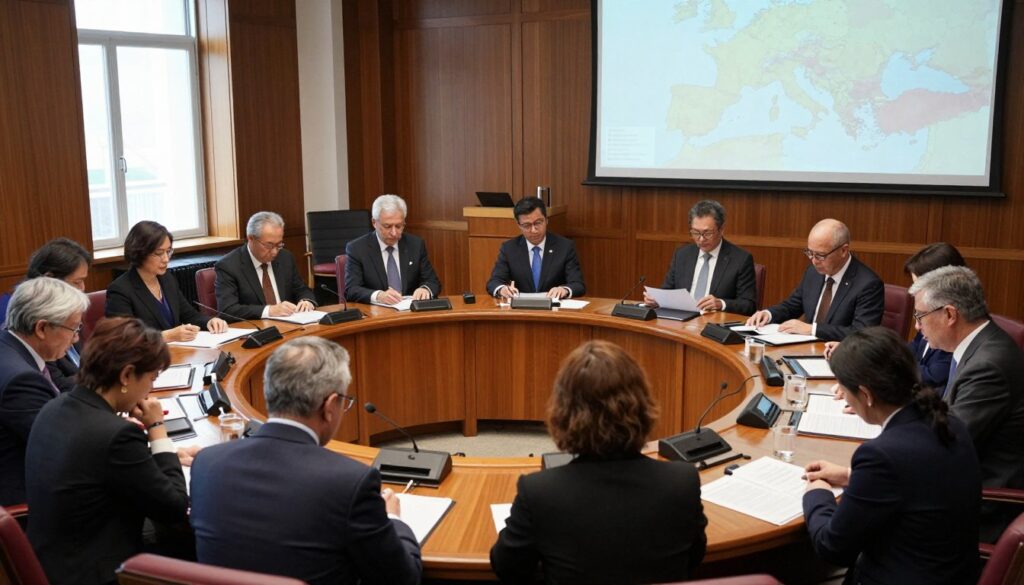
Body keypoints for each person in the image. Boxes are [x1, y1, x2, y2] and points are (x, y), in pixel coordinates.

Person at [189, 337, 421, 585]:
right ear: (330, 406)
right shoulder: (350, 482)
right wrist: (393, 520)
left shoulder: (206, 464)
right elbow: (403, 579)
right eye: (344, 402)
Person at [490, 340, 707, 585]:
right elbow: (694, 557)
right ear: (642, 402)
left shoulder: (540, 492)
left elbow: (506, 567)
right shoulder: (682, 481)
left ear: (564, 411)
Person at [803, 327, 980, 585]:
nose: (846, 400)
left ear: (866, 395)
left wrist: (817, 493)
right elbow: (919, 479)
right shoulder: (948, 421)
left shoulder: (881, 455)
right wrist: (850, 476)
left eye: (845, 390)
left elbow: (833, 548)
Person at [24, 317, 189, 585]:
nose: (151, 388)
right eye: (151, 378)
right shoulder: (117, 434)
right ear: (126, 375)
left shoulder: (55, 407)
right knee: (190, 545)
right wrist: (157, 429)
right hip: (99, 573)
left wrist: (151, 456)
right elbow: (175, 507)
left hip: (52, 563)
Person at [908, 265, 1024, 542]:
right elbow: (949, 412)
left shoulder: (989, 365)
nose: (916, 326)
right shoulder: (978, 346)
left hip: (980, 504)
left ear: (949, 314)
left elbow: (945, 443)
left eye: (920, 316)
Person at [824, 242, 967, 393]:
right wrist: (857, 352)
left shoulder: (954, 327)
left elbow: (929, 377)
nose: (914, 293)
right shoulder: (930, 314)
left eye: (919, 286)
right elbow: (906, 353)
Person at [0, 277, 88, 505]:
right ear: (41, 328)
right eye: (74, 328)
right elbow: (66, 450)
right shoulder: (21, 381)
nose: (76, 338)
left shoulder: (7, 343)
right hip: (29, 502)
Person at [746, 219, 883, 341]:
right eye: (810, 253)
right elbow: (793, 305)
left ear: (843, 251)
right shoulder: (813, 272)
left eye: (820, 255)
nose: (814, 260)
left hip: (838, 357)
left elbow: (861, 334)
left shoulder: (868, 284)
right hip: (804, 349)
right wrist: (768, 314)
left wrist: (812, 330)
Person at [106, 221, 228, 342]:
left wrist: (209, 321)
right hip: (144, 359)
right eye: (159, 253)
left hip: (176, 354)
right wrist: (167, 336)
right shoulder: (120, 290)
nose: (166, 259)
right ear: (140, 253)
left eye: (168, 251)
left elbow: (189, 315)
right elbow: (125, 338)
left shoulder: (167, 279)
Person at [0, 238, 92, 392]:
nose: (82, 288)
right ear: (50, 279)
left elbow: (84, 362)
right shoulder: (36, 319)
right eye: (77, 282)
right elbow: (57, 385)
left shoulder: (68, 312)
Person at [642, 200, 757, 315]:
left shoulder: (741, 259)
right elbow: (667, 291)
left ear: (721, 229)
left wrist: (721, 304)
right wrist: (657, 300)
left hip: (713, 324)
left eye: (707, 233)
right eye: (696, 233)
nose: (701, 239)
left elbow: (748, 304)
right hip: (681, 321)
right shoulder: (682, 255)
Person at [215, 211, 318, 320]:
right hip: (257, 330)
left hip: (291, 324)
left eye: (279, 245)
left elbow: (301, 289)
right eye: (269, 245)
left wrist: (307, 300)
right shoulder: (228, 266)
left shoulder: (285, 258)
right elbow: (227, 310)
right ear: (251, 239)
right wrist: (270, 310)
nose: (275, 252)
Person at [345, 194, 442, 304]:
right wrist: (379, 295)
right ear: (374, 223)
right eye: (387, 226)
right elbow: (351, 290)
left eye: (399, 226)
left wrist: (425, 289)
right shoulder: (357, 249)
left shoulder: (415, 245)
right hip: (376, 314)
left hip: (410, 312)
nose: (394, 233)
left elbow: (433, 282)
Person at [486, 197, 585, 300]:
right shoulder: (509, 248)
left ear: (546, 220)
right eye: (527, 225)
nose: (534, 230)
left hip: (554, 310)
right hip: (522, 311)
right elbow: (494, 282)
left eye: (538, 223)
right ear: (518, 225)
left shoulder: (564, 247)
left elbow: (578, 285)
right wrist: (502, 289)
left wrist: (564, 290)